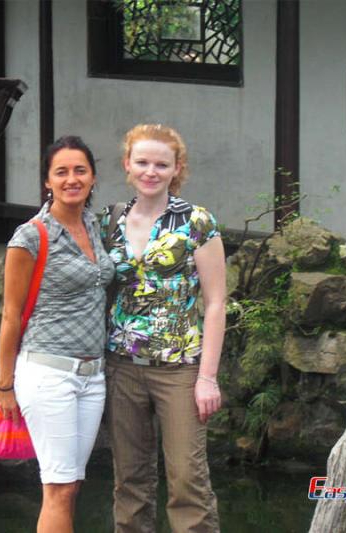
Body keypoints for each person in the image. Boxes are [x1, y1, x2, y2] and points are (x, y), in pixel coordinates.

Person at [102, 124, 226, 533]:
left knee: (187, 479)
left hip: (180, 368)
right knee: (130, 480)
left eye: (161, 164)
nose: (151, 171)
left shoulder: (196, 222)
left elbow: (215, 303)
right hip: (122, 365)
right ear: (127, 164)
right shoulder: (110, 220)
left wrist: (207, 378)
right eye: (142, 162)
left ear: (177, 168)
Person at [0, 136, 114, 533]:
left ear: (93, 176)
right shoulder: (30, 236)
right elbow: (11, 315)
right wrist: (5, 385)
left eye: (80, 170)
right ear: (47, 180)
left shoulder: (94, 225)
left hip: (92, 376)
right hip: (48, 374)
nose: (71, 179)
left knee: (71, 484)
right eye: (61, 172)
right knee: (59, 487)